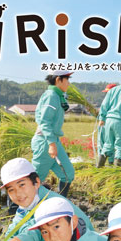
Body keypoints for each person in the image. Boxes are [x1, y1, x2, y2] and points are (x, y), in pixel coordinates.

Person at [31, 69, 74, 197]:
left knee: (68, 173)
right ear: (58, 79)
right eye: (67, 79)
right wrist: (51, 144)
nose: (68, 83)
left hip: (53, 140)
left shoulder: (58, 96)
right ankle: (17, 210)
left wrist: (53, 143)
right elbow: (44, 121)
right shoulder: (51, 96)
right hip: (45, 141)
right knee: (35, 179)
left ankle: (60, 204)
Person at [96, 83, 117, 166]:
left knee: (109, 143)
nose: (106, 94)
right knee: (103, 143)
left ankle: (110, 164)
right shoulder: (111, 101)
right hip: (104, 124)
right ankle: (102, 164)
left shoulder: (112, 102)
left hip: (107, 124)